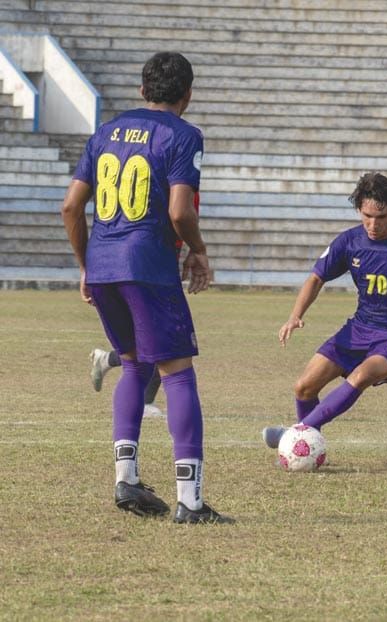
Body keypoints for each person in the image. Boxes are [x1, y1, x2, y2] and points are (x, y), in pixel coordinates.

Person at [61, 52, 232, 523]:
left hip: (103, 263)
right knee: (177, 373)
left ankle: (127, 479)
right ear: (188, 94)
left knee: (134, 366)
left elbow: (71, 207)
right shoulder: (183, 134)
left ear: (142, 90)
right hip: (148, 265)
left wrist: (85, 265)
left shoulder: (104, 132)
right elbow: (179, 211)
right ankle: (191, 502)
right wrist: (198, 249)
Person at [262, 172, 387, 449]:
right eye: (366, 216)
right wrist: (295, 315)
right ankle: (308, 443)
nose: (373, 224)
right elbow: (317, 278)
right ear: (359, 210)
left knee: (361, 376)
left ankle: (296, 436)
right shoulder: (349, 241)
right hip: (360, 328)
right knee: (303, 387)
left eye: (381, 217)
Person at [88, 192, 202, 418]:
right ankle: (142, 401)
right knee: (166, 339)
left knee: (159, 338)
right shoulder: (171, 166)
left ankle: (109, 360)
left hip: (159, 253)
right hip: (149, 255)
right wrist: (198, 249)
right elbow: (178, 213)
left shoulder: (181, 175)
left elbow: (184, 213)